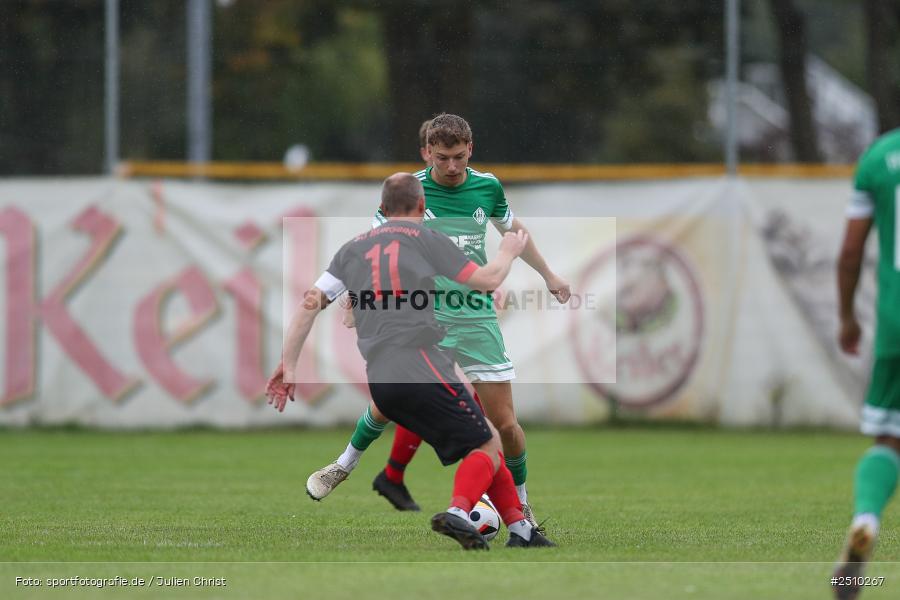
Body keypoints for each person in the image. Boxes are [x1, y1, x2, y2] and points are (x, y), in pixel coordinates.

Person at [308, 114, 571, 530]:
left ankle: (522, 504)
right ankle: (342, 465)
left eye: (460, 157)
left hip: (476, 316)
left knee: (505, 424)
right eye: (443, 157)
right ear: (427, 152)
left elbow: (514, 231)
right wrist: (355, 300)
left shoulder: (487, 187)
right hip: (423, 317)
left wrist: (549, 275)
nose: (452, 166)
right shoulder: (410, 192)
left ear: (471, 150)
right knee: (388, 401)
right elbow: (373, 247)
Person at [266, 173, 555, 549]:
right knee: (488, 445)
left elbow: (309, 305)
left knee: (485, 435)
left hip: (380, 379)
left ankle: (521, 531)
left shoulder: (352, 249)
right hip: (421, 365)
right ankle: (458, 511)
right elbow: (486, 280)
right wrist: (508, 251)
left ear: (382, 209)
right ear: (422, 206)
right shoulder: (426, 239)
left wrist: (288, 365)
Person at [833, 127, 900, 599]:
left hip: (897, 326)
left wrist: (847, 317)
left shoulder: (880, 157)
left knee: (890, 439)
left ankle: (866, 520)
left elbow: (850, 252)